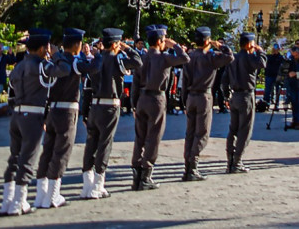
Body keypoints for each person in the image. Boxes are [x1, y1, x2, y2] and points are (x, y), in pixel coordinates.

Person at [34, 28, 102, 209]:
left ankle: (41, 195)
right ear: (78, 45)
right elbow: (94, 68)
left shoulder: (56, 61)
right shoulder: (73, 62)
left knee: (47, 151)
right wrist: (99, 54)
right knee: (61, 152)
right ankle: (53, 195)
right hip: (67, 111)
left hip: (52, 110)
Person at [80, 28, 143, 200]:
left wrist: (84, 112)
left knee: (91, 144)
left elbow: (86, 89)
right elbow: (138, 61)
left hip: (94, 106)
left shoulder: (95, 60)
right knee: (104, 144)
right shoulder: (116, 60)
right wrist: (127, 48)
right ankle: (97, 186)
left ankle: (87, 185)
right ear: (115, 44)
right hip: (110, 106)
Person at [0, 28, 55, 216]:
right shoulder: (41, 65)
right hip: (33, 114)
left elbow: (12, 89)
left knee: (14, 158)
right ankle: (19, 202)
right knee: (28, 159)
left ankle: (6, 201)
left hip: (16, 113)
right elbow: (60, 73)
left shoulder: (19, 66)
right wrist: (56, 57)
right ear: (42, 48)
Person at [131, 24, 188, 191]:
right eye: (164, 41)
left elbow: (135, 83)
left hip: (141, 98)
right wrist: (175, 45)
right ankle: (146, 175)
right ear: (160, 41)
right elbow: (185, 59)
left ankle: (136, 173)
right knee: (153, 137)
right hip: (157, 99)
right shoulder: (164, 58)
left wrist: (134, 104)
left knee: (139, 137)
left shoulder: (142, 57)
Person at [181, 27, 234, 181]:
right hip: (204, 96)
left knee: (190, 133)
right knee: (202, 133)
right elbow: (229, 56)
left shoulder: (190, 56)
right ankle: (193, 167)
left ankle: (187, 167)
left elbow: (184, 82)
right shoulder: (211, 58)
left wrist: (184, 102)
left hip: (190, 96)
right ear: (207, 41)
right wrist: (219, 45)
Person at [223, 32, 266, 173]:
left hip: (234, 95)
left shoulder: (233, 58)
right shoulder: (249, 57)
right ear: (249, 44)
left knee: (233, 129)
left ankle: (230, 160)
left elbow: (224, 79)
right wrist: (261, 51)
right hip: (246, 96)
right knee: (244, 130)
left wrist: (225, 96)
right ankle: (237, 162)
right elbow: (262, 64)